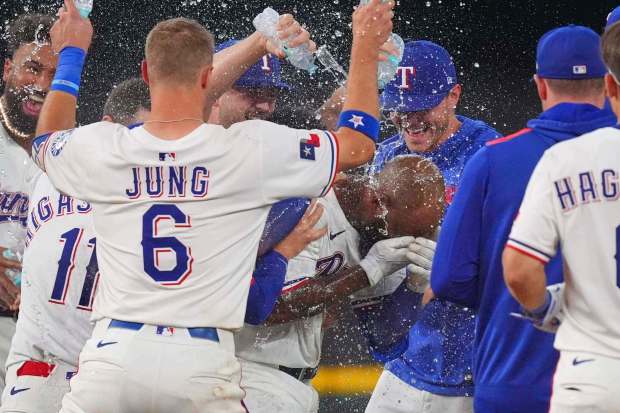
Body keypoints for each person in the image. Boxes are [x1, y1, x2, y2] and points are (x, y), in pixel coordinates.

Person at [34, 1, 395, 411]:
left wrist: (72, 53)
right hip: (200, 361)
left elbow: (47, 140)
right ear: (209, 77)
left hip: (113, 357)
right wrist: (364, 45)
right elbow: (358, 145)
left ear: (147, 74)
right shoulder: (249, 150)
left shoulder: (109, 147)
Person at [431, 25, 616, 413]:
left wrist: (517, 303)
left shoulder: (493, 159)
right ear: (607, 84)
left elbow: (450, 278)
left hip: (515, 372)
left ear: (540, 85)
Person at [235, 155, 445, 413]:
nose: (407, 240)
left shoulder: (380, 228)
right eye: (404, 232)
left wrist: (414, 285)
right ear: (377, 201)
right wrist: (366, 271)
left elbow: (384, 342)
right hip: (246, 372)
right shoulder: (308, 204)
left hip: (295, 382)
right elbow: (266, 306)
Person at [363, 40, 500, 413]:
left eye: (421, 107)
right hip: (406, 361)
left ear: (453, 95)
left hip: (477, 368)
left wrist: (455, 267)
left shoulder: (490, 154)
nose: (409, 120)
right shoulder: (387, 156)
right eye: (399, 109)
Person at [0, 78, 150, 413]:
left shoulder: (52, 171)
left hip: (76, 372)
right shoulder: (146, 197)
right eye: (138, 134)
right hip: (50, 367)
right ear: (108, 128)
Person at [503, 23, 620, 413]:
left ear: (611, 87)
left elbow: (519, 270)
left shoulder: (567, 159)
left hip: (592, 373)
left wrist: (543, 309)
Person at [0, 13, 56, 393]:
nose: (41, 85)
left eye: (54, 75)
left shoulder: (71, 153)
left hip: (44, 335)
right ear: (7, 69)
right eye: (32, 69)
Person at [208, 39, 290, 127]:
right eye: (254, 92)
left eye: (272, 94)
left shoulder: (276, 137)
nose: (264, 107)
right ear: (216, 94)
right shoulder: (193, 138)